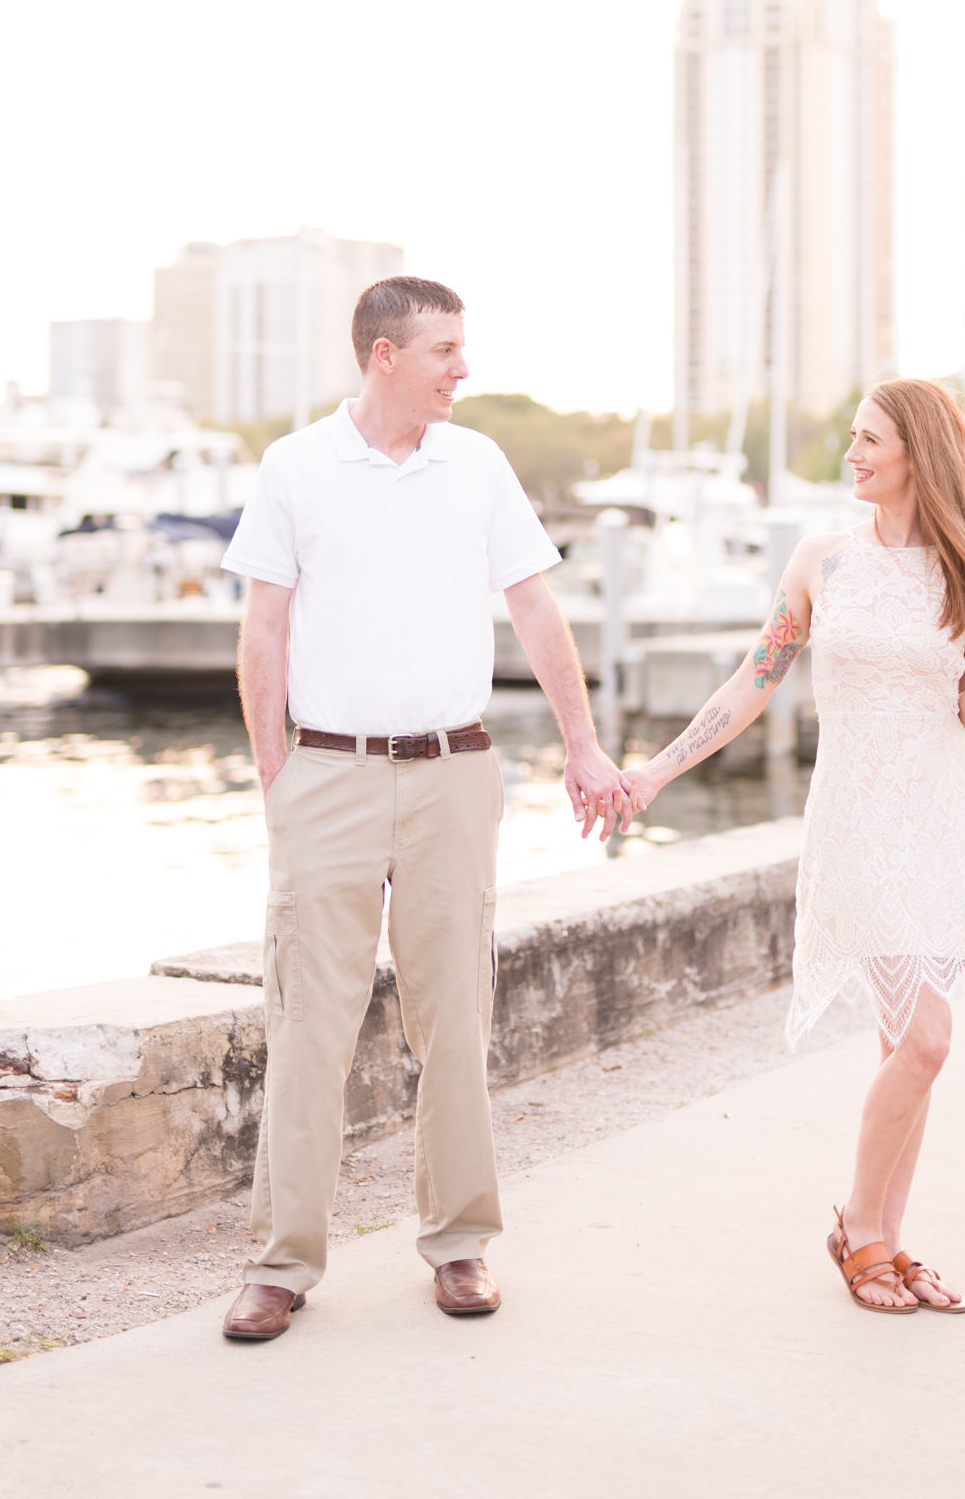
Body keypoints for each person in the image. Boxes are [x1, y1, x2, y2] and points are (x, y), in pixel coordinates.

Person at [217, 276, 632, 1341]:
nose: (462, 367)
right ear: (383, 354)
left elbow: (535, 607)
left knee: (454, 1016)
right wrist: (279, 774)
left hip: (454, 770)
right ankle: (279, 1263)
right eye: (444, 348)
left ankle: (458, 1243)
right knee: (307, 1021)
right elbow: (262, 630)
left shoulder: (478, 464)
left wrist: (582, 744)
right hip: (328, 774)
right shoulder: (295, 466)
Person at [627, 379, 965, 1315]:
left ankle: (884, 1242)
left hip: (942, 821)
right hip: (856, 821)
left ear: (916, 455)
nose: (851, 454)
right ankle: (859, 1227)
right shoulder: (824, 563)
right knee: (928, 1041)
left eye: (868, 439)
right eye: (852, 437)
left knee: (907, 1045)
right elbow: (751, 683)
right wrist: (654, 773)